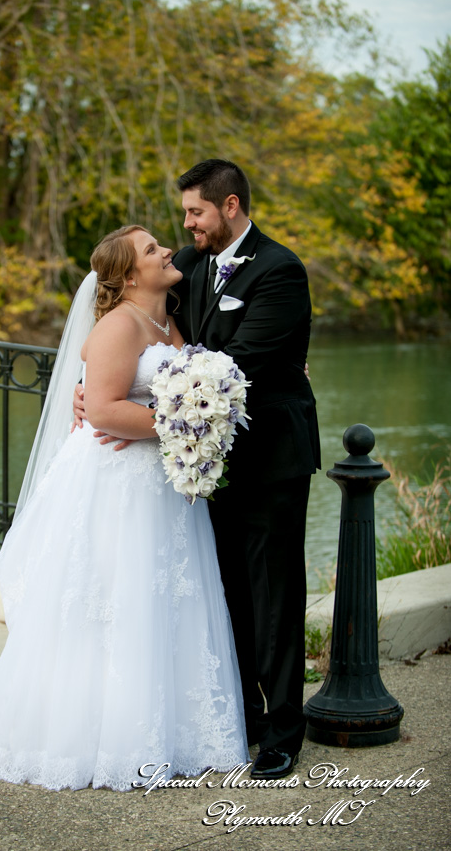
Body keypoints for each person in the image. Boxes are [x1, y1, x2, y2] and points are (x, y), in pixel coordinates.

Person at [0, 224, 249, 792]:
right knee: (113, 602)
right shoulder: (119, 325)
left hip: (165, 486)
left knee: (166, 599)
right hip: (118, 484)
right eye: (152, 250)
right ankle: (101, 736)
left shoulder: (169, 320)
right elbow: (99, 410)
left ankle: (176, 732)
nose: (167, 250)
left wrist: (200, 420)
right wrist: (190, 426)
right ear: (127, 275)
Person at [172, 159, 321, 779]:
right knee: (227, 589)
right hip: (213, 462)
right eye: (186, 214)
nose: (188, 223)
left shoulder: (280, 269)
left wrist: (148, 388)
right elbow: (134, 312)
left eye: (196, 212)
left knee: (275, 597)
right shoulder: (188, 262)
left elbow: (234, 362)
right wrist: (97, 383)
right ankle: (247, 721)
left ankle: (284, 733)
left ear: (229, 206)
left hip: (272, 459)